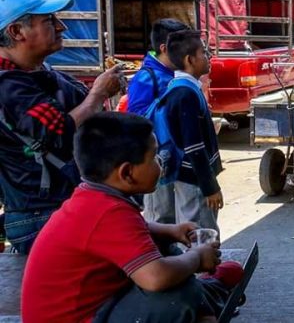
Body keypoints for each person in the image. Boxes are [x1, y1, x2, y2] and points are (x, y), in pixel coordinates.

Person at [21, 112, 243, 323]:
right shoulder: (109, 212)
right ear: (127, 173)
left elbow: (134, 230)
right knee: (179, 294)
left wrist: (169, 231)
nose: (160, 163)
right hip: (81, 317)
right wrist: (196, 257)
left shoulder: (93, 197)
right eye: (154, 157)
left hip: (97, 305)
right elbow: (156, 277)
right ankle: (204, 297)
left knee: (166, 250)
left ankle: (203, 298)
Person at [0, 0, 123, 253]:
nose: (62, 26)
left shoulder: (38, 72)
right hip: (42, 215)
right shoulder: (8, 87)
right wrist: (99, 93)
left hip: (62, 207)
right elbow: (59, 131)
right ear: (16, 32)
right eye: (49, 21)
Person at [144, 30, 223, 232]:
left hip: (188, 174)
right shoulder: (185, 93)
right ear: (190, 60)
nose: (208, 57)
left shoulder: (179, 87)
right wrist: (210, 186)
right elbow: (194, 146)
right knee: (200, 232)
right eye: (204, 53)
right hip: (194, 178)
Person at [126, 18, 189, 116]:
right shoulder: (145, 80)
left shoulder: (176, 73)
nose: (187, 53)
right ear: (164, 49)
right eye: (182, 48)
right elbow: (137, 121)